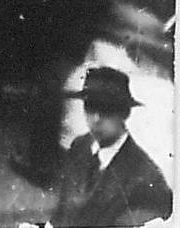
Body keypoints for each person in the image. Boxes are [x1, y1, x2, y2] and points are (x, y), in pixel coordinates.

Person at [50, 65, 174, 228]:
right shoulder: (80, 146)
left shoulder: (147, 179)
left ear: (124, 113)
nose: (96, 118)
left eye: (106, 109)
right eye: (90, 106)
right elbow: (60, 213)